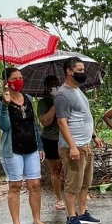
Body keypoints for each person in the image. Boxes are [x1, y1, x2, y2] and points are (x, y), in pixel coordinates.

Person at [0, 67, 51, 224]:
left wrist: (40, 146)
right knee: (15, 186)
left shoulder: (28, 98)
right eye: (15, 78)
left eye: (20, 77)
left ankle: (37, 219)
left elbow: (33, 125)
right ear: (6, 82)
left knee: (35, 185)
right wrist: (5, 105)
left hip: (31, 147)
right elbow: (4, 126)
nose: (19, 80)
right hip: (13, 149)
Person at [54, 57, 104, 224]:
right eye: (80, 70)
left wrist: (94, 136)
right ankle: (71, 218)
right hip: (72, 147)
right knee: (72, 184)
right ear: (69, 71)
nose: (83, 73)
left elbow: (84, 116)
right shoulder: (62, 94)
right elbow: (62, 122)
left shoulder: (78, 91)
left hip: (86, 144)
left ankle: (82, 213)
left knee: (84, 182)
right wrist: (73, 146)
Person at [37, 75, 65, 210]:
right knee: (56, 169)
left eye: (57, 84)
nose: (55, 87)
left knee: (72, 168)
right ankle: (59, 198)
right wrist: (55, 105)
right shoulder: (43, 103)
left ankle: (77, 194)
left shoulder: (66, 99)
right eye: (52, 85)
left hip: (66, 138)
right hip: (50, 139)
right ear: (47, 88)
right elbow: (45, 122)